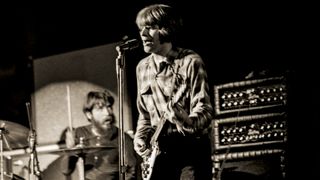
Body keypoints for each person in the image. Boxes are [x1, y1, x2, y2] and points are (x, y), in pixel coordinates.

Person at [133, 4, 213, 180]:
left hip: (190, 149)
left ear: (166, 29)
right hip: (159, 154)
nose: (143, 34)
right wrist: (140, 137)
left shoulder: (190, 62)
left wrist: (185, 120)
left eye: (151, 28)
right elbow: (144, 115)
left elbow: (205, 111)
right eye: (141, 29)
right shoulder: (142, 68)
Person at [59, 90, 137, 180]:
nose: (108, 113)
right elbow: (66, 170)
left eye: (109, 107)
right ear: (89, 114)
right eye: (100, 108)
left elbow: (131, 172)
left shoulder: (122, 138)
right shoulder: (80, 133)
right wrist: (70, 151)